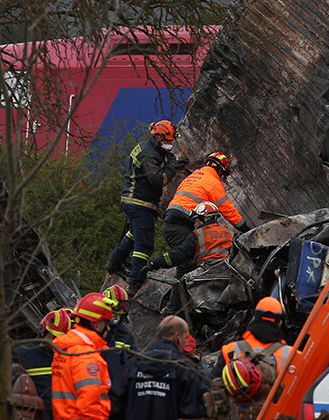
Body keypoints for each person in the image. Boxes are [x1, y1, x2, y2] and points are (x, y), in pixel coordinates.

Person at [109, 316, 208, 420]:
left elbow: (115, 405)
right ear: (177, 336)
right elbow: (193, 413)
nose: (185, 344)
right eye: (185, 338)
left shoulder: (133, 364)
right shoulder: (185, 369)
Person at [106, 120, 179, 296]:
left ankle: (113, 263)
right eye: (168, 141)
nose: (170, 144)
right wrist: (173, 166)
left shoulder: (148, 148)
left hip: (135, 201)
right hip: (139, 203)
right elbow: (158, 180)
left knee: (135, 234)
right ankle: (134, 283)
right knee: (144, 244)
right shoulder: (149, 155)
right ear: (159, 137)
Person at [142, 202, 238, 325]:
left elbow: (178, 254)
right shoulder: (229, 233)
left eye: (197, 220)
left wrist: (154, 264)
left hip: (205, 272)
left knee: (181, 282)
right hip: (228, 272)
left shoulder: (198, 235)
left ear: (205, 217)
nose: (195, 224)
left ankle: (172, 312)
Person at [51, 292, 115, 420]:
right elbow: (88, 402)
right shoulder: (86, 356)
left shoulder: (66, 349)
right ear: (97, 325)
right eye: (107, 324)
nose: (108, 329)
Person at [162, 151, 249, 259]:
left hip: (170, 222)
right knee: (191, 263)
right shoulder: (213, 182)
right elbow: (228, 210)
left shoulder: (191, 178)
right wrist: (245, 229)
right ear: (221, 170)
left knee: (188, 259)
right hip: (182, 224)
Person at [13, 308, 74, 420]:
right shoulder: (23, 354)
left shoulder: (70, 358)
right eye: (55, 338)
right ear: (43, 332)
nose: (58, 344)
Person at [101, 285, 137, 382]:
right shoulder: (94, 331)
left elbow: (134, 364)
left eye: (122, 309)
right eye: (115, 308)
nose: (117, 315)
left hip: (117, 390)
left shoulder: (125, 334)